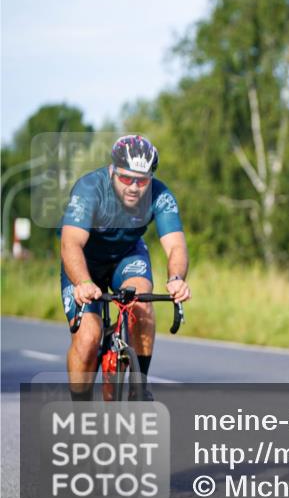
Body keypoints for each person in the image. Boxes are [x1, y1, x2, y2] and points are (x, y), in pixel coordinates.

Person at [60, 135, 191, 401]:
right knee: (88, 338)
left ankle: (138, 388)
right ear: (113, 170)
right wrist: (83, 283)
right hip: (85, 262)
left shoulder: (160, 194)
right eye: (126, 178)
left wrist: (176, 278)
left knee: (141, 303)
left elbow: (176, 246)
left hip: (127, 255)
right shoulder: (90, 188)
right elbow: (70, 243)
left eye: (141, 181)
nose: (133, 187)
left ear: (150, 178)